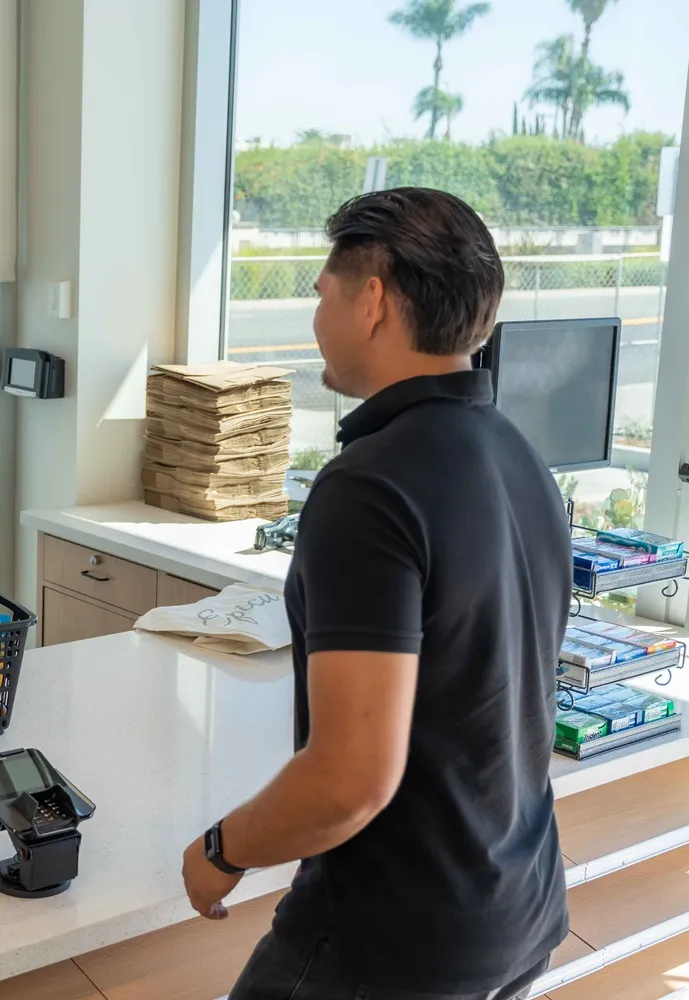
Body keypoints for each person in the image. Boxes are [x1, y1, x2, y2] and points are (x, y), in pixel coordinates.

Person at [180, 188, 570, 1000]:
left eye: (321, 294)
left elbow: (351, 777)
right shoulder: (517, 455)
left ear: (373, 299)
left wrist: (221, 851)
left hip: (390, 940)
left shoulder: (370, 485)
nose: (315, 316)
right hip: (516, 911)